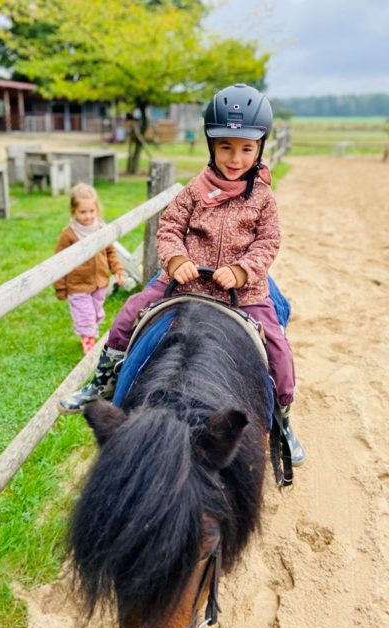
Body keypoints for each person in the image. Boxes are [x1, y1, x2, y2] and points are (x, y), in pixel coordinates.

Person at [59, 84, 305, 466]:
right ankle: (100, 382)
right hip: (185, 280)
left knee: (277, 351)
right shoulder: (195, 188)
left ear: (259, 148)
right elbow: (170, 226)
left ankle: (282, 420)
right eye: (225, 147)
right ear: (211, 146)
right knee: (130, 314)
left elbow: (269, 242)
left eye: (245, 148)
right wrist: (175, 260)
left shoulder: (263, 199)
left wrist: (242, 271)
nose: (235, 158)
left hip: (243, 290)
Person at [54, 183, 125, 354]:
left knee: (96, 313)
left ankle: (90, 332)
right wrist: (60, 288)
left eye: (91, 211)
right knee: (85, 316)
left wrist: (118, 270)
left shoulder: (101, 229)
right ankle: (88, 341)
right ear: (73, 211)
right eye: (82, 212)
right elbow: (58, 263)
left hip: (100, 282)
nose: (87, 216)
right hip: (78, 285)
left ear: (97, 210)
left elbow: (110, 252)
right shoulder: (68, 235)